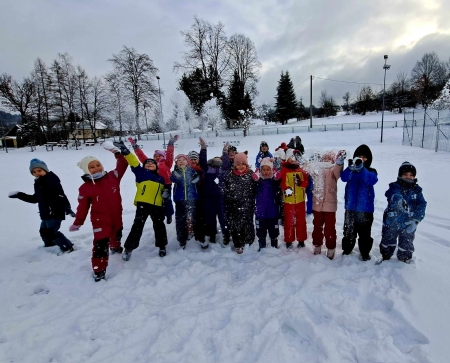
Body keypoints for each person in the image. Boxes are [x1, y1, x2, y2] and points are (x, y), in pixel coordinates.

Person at [69, 146, 128, 282]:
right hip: (100, 220)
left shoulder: (113, 176)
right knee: (100, 245)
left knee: (117, 233)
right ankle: (99, 270)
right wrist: (78, 222)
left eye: (98, 165)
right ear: (86, 170)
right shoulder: (85, 188)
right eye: (92, 167)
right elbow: (82, 207)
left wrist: (117, 153)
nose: (96, 168)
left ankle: (115, 247)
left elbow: (123, 164)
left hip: (117, 216)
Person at [113, 141, 169, 259]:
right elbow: (133, 161)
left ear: (157, 166)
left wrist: (166, 192)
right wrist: (126, 151)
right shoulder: (141, 173)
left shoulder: (161, 178)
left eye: (152, 163)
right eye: (147, 163)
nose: (149, 164)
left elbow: (166, 190)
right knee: (138, 225)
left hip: (157, 205)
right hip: (143, 204)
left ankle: (162, 246)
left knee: (159, 225)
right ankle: (129, 248)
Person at [8, 158, 74, 254]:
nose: (37, 173)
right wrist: (19, 195)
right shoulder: (39, 183)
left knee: (52, 232)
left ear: (45, 170)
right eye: (34, 172)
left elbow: (61, 195)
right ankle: (50, 245)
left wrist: (67, 208)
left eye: (39, 170)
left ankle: (67, 247)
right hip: (45, 213)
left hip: (54, 212)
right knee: (43, 231)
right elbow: (35, 199)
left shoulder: (51, 180)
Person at [379, 162, 427, 263]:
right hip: (392, 220)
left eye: (411, 175)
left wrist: (416, 219)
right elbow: (392, 194)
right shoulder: (395, 186)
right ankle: (385, 255)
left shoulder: (417, 191)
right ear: (400, 175)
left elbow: (422, 204)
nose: (408, 177)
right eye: (405, 174)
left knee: (407, 241)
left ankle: (404, 259)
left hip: (409, 222)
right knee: (388, 238)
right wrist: (399, 200)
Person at [306, 150, 346, 260]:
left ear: (333, 161)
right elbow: (308, 169)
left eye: (329, 159)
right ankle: (317, 245)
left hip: (330, 206)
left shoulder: (333, 171)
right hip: (318, 204)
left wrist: (339, 162)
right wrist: (304, 162)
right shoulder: (317, 170)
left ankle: (331, 247)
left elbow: (338, 170)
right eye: (324, 158)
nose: (326, 161)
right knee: (317, 227)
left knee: (330, 228)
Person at [340, 144, 378, 261]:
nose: (362, 159)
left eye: (365, 157)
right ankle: (347, 249)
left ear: (369, 159)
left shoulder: (371, 171)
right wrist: (350, 167)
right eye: (359, 157)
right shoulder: (351, 170)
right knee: (349, 231)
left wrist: (361, 168)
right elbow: (344, 177)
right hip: (350, 208)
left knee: (365, 233)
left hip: (365, 210)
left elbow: (371, 180)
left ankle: (365, 252)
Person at [128, 135, 177, 224]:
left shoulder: (167, 163)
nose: (158, 157)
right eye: (156, 156)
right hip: (155, 184)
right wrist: (135, 146)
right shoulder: (151, 164)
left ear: (164, 157)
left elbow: (170, 154)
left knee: (167, 200)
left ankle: (169, 214)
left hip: (166, 183)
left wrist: (170, 143)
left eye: (160, 156)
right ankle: (160, 216)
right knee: (158, 202)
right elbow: (141, 156)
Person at [198, 138, 230, 246]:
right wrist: (203, 148)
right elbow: (202, 161)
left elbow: (226, 162)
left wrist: (225, 152)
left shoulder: (224, 170)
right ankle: (211, 235)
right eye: (215, 158)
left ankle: (226, 235)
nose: (217, 159)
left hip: (221, 197)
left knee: (223, 217)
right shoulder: (207, 169)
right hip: (209, 197)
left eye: (219, 158)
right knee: (210, 218)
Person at [224, 152, 257, 254]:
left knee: (248, 223)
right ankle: (238, 243)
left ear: (246, 164)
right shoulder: (230, 176)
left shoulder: (251, 174)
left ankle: (249, 240)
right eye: (238, 164)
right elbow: (226, 190)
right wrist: (229, 202)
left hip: (248, 205)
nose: (241, 166)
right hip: (234, 206)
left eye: (243, 164)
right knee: (236, 225)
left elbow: (256, 189)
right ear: (235, 165)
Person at [171, 154, 202, 249]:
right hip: (180, 200)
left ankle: (200, 237)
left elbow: (198, 178)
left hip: (192, 199)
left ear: (187, 162)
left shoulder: (192, 171)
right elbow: (172, 179)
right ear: (176, 163)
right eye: (178, 160)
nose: (181, 161)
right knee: (181, 220)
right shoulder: (175, 172)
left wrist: (196, 178)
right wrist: (177, 174)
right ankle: (182, 240)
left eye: (183, 160)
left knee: (196, 219)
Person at [280, 148, 309, 249]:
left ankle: (301, 239)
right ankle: (289, 239)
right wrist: (286, 188)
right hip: (289, 201)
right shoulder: (284, 171)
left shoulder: (302, 170)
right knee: (289, 221)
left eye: (295, 157)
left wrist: (301, 183)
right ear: (287, 158)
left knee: (301, 220)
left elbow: (306, 182)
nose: (293, 159)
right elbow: (282, 182)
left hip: (300, 200)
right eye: (291, 157)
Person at [253, 157, 282, 251]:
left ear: (271, 170)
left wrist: (276, 177)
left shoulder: (273, 181)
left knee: (273, 229)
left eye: (268, 170)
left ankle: (274, 242)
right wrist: (256, 177)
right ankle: (262, 243)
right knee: (260, 229)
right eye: (263, 170)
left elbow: (279, 187)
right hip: (260, 211)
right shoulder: (258, 182)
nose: (265, 172)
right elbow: (253, 190)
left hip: (272, 211)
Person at [187, 150, 206, 247]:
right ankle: (191, 231)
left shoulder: (200, 169)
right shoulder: (186, 169)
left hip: (200, 196)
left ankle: (200, 234)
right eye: (191, 159)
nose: (193, 161)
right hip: (190, 196)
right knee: (190, 216)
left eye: (195, 159)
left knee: (200, 216)